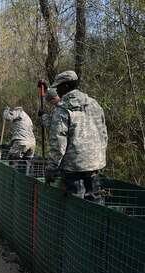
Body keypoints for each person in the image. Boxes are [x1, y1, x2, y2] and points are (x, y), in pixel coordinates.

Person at [44, 70, 108, 205]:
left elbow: (58, 143)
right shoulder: (94, 104)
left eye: (58, 87)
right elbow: (103, 134)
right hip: (94, 163)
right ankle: (95, 226)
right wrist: (99, 154)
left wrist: (51, 168)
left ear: (66, 87)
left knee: (76, 204)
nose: (57, 91)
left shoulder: (62, 109)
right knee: (95, 202)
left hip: (73, 166)